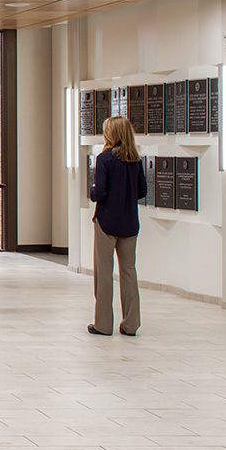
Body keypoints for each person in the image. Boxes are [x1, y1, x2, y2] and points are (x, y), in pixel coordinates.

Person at [89, 116, 146, 337]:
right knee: (129, 272)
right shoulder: (136, 160)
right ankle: (131, 324)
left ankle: (103, 324)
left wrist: (93, 191)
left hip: (106, 222)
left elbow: (99, 192)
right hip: (130, 222)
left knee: (104, 274)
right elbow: (142, 191)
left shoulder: (104, 159)